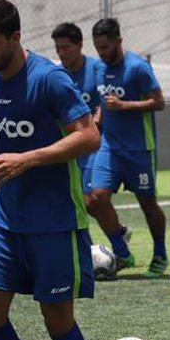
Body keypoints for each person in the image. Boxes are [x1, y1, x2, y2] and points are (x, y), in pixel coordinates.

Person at [0, 0, 100, 340]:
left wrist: (26, 160)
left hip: (54, 220)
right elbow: (6, 139)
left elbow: (89, 136)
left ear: (16, 37)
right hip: (7, 219)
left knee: (57, 320)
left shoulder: (49, 79)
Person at [88, 18, 168, 278]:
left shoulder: (138, 67)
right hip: (109, 146)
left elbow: (158, 102)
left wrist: (125, 106)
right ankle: (122, 253)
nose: (101, 52)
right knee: (95, 199)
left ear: (119, 41)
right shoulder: (98, 67)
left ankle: (160, 253)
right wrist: (98, 120)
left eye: (105, 47)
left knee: (147, 203)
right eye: (97, 47)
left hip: (139, 149)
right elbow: (104, 101)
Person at [52, 22, 107, 208]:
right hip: (69, 143)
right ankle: (116, 227)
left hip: (94, 143)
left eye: (65, 48)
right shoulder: (57, 75)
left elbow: (106, 97)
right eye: (58, 48)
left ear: (80, 45)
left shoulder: (97, 68)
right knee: (74, 198)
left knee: (91, 198)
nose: (61, 53)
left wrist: (96, 120)